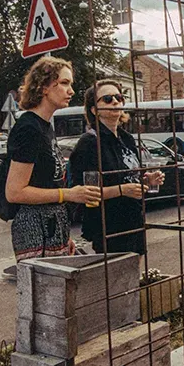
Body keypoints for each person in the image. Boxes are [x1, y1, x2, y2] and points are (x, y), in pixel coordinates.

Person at [5, 55, 101, 261]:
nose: (71, 91)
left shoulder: (45, 126)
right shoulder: (29, 128)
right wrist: (69, 194)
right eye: (64, 83)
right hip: (35, 229)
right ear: (43, 87)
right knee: (44, 282)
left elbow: (47, 181)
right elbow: (14, 192)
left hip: (52, 226)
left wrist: (63, 235)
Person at [68, 79, 164, 256]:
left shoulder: (126, 138)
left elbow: (129, 177)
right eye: (107, 99)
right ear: (94, 110)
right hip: (109, 226)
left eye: (119, 98)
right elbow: (87, 193)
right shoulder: (90, 143)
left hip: (134, 220)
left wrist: (146, 180)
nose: (115, 102)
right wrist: (122, 190)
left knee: (134, 269)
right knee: (115, 272)